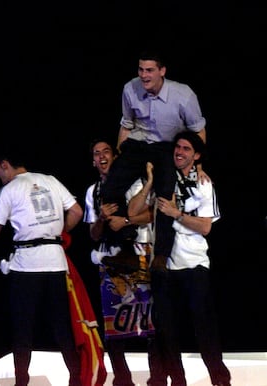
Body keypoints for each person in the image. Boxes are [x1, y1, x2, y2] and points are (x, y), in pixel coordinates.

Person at [128, 131, 231, 386]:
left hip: (195, 263)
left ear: (196, 155)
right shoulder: (164, 177)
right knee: (165, 331)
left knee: (204, 328)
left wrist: (176, 214)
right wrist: (151, 182)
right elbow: (133, 211)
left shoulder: (203, 184)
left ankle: (220, 380)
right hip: (164, 264)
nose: (179, 152)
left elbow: (206, 227)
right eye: (178, 147)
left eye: (186, 149)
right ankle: (178, 380)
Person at [0, 143, 84, 386]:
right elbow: (77, 211)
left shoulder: (10, 189)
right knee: (62, 327)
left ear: (5, 165)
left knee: (23, 329)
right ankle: (76, 379)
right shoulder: (50, 180)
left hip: (27, 266)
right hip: (55, 260)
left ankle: (21, 383)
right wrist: (56, 233)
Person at [100, 50, 207, 271]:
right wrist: (119, 157)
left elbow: (198, 131)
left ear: (162, 71)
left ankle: (160, 255)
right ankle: (126, 248)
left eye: (149, 70)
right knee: (110, 186)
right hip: (139, 144)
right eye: (141, 69)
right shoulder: (130, 88)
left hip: (167, 146)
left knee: (165, 195)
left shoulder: (183, 95)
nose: (144, 75)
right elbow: (127, 124)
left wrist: (197, 165)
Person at [84, 138, 155, 386]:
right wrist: (102, 219)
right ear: (93, 161)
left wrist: (125, 222)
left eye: (106, 152)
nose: (101, 156)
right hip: (108, 258)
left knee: (150, 321)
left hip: (140, 252)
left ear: (115, 157)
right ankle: (122, 379)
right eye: (96, 153)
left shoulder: (135, 181)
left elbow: (151, 214)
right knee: (113, 324)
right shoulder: (93, 191)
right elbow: (92, 234)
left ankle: (156, 377)